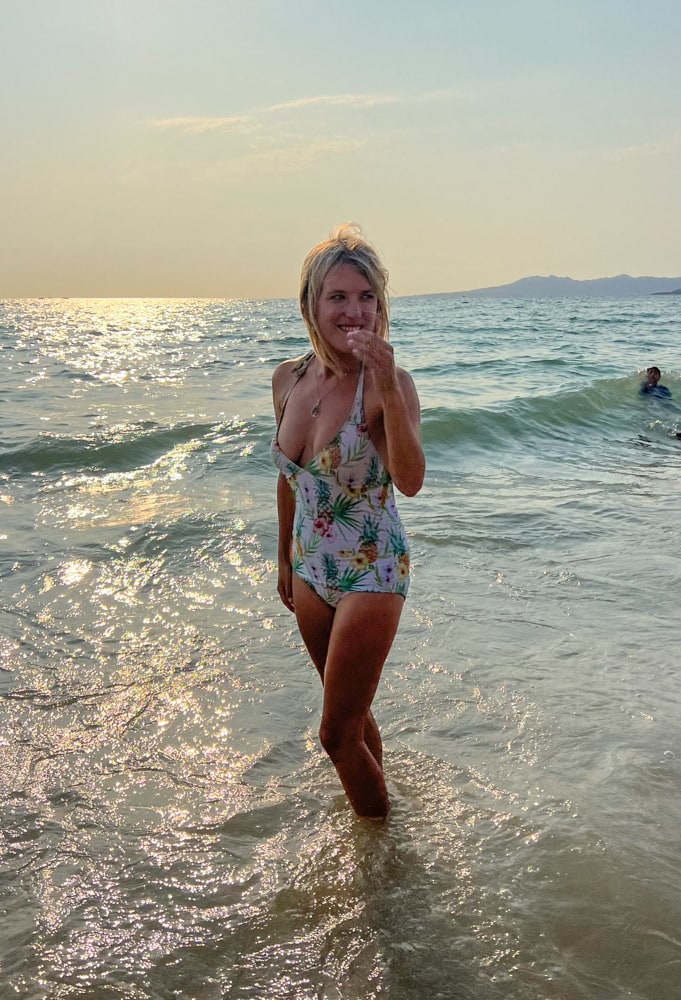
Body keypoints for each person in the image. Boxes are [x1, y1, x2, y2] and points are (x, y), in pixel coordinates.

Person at [271, 223, 425, 820]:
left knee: (334, 736)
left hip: (372, 567)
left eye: (367, 298)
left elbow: (410, 482)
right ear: (312, 304)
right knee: (354, 719)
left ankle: (379, 863)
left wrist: (386, 380)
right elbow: (290, 477)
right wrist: (283, 553)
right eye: (338, 297)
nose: (354, 311)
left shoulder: (390, 385)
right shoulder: (288, 378)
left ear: (381, 305)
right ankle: (387, 817)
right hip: (311, 565)